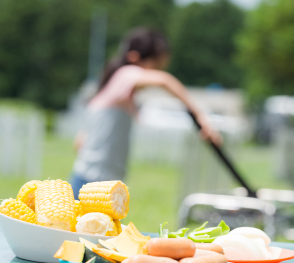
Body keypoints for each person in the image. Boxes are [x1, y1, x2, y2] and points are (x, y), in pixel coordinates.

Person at [71, 27, 221, 199]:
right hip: (94, 183)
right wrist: (201, 117)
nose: (154, 73)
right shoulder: (125, 74)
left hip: (88, 179)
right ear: (134, 58)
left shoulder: (107, 92)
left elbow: (79, 143)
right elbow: (164, 81)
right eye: (155, 66)